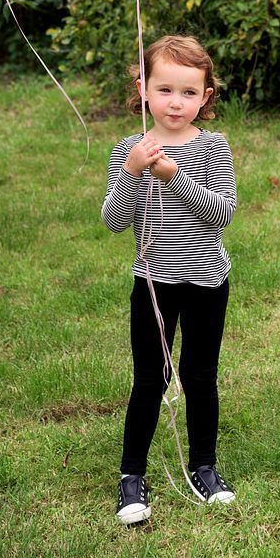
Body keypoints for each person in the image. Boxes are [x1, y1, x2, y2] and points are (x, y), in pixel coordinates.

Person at [102, 35, 237, 523]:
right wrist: (135, 172)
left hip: (205, 282)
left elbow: (220, 213)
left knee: (200, 377)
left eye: (187, 92)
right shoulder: (129, 149)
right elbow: (115, 220)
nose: (175, 102)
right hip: (153, 282)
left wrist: (174, 176)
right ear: (143, 89)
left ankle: (204, 465)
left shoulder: (213, 149)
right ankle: (131, 476)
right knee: (150, 378)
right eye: (164, 90)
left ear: (205, 96)